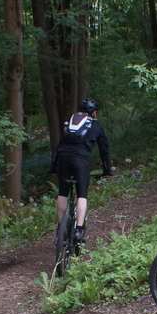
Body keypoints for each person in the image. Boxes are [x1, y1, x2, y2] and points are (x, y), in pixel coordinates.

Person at [50, 97, 112, 244]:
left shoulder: (71, 121)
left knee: (63, 192)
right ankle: (78, 230)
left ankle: (60, 229)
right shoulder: (95, 125)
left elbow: (60, 145)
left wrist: (54, 166)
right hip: (80, 160)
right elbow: (104, 149)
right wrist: (107, 169)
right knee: (82, 195)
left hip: (63, 159)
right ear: (94, 113)